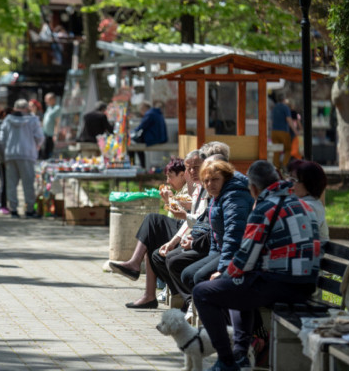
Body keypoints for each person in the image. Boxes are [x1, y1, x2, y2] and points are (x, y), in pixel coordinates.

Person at [192, 160, 321, 371]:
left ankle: (227, 361)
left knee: (203, 292)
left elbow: (244, 259)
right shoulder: (302, 204)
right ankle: (241, 353)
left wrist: (224, 275)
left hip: (282, 285)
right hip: (306, 284)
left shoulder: (265, 208)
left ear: (253, 187)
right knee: (239, 284)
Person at [108, 150, 205, 308]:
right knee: (152, 234)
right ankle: (147, 291)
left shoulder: (203, 187)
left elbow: (198, 218)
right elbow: (190, 215)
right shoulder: (197, 187)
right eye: (189, 168)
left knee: (152, 222)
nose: (191, 172)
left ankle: (139, 273)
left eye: (195, 167)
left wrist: (176, 205)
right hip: (188, 229)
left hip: (195, 234)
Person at [168, 158, 253, 320]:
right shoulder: (217, 195)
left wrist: (222, 268)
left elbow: (233, 236)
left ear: (225, 178)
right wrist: (210, 258)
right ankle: (209, 315)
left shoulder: (234, 196)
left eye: (215, 179)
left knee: (199, 277)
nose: (210, 184)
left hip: (239, 253)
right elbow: (215, 233)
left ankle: (225, 322)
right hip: (221, 250)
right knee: (187, 274)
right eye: (206, 181)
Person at [0, 99, 44, 218]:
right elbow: (40, 137)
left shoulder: (7, 120)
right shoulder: (33, 120)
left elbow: (1, 139)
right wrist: (36, 147)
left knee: (11, 184)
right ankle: (29, 210)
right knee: (28, 183)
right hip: (27, 155)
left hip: (10, 155)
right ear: (26, 108)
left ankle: (13, 210)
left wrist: (5, 153)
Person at [287, 159, 329, 245]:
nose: (288, 183)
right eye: (289, 177)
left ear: (309, 185)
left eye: (293, 180)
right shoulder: (309, 202)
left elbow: (301, 243)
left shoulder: (308, 207)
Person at [128, 101, 167, 168]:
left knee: (132, 145)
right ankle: (141, 165)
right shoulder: (156, 113)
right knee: (137, 145)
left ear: (144, 108)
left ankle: (134, 165)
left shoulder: (150, 114)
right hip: (161, 138)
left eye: (141, 110)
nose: (141, 113)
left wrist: (131, 133)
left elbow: (142, 126)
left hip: (155, 138)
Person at [270, 96, 298, 173]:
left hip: (274, 131)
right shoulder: (285, 107)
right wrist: (295, 131)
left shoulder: (274, 108)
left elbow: (271, 121)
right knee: (288, 149)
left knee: (276, 150)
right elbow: (289, 120)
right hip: (283, 131)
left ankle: (276, 168)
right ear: (284, 100)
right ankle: (284, 164)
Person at [0, 107, 11, 215]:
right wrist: (3, 160)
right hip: (0, 159)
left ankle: (5, 204)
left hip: (6, 158)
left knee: (7, 182)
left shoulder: (8, 125)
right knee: (4, 182)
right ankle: (1, 205)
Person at [40, 92, 61, 160]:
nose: (45, 100)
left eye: (47, 99)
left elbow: (57, 122)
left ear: (53, 99)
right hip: (45, 134)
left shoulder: (57, 108)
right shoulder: (49, 108)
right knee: (44, 153)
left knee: (49, 154)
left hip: (51, 135)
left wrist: (55, 134)